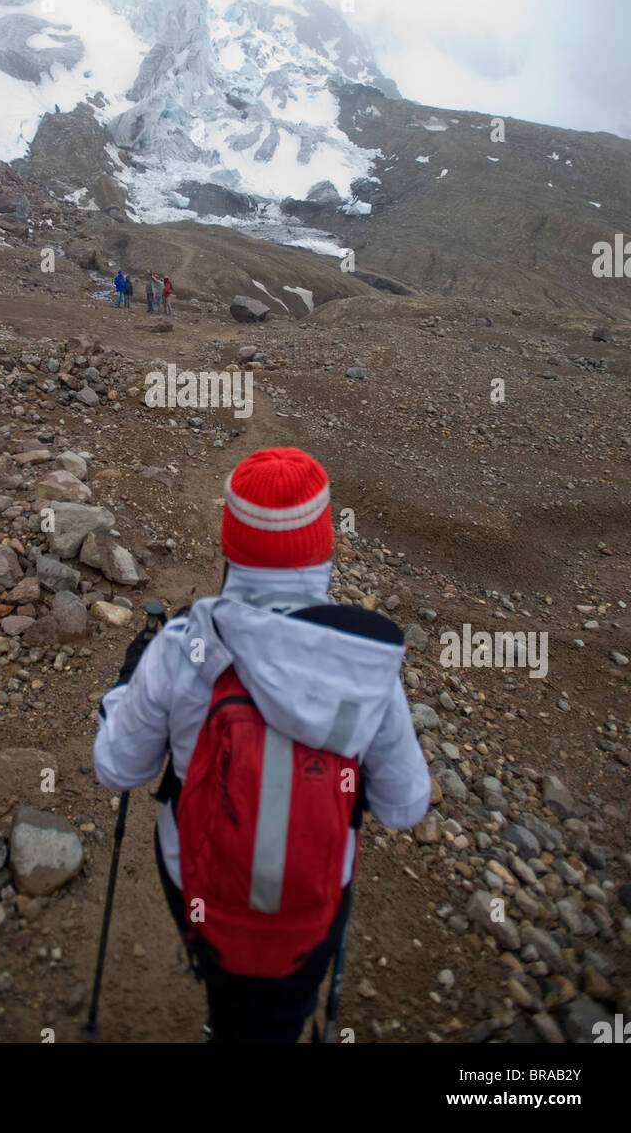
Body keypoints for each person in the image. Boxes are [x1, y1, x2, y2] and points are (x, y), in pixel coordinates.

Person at [94, 446, 431, 1044]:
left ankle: (222, 996)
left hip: (198, 886)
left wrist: (124, 689)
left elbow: (117, 768)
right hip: (312, 901)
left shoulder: (182, 644)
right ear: (324, 542)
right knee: (280, 1014)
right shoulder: (362, 662)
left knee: (227, 983)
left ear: (230, 540)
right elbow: (405, 807)